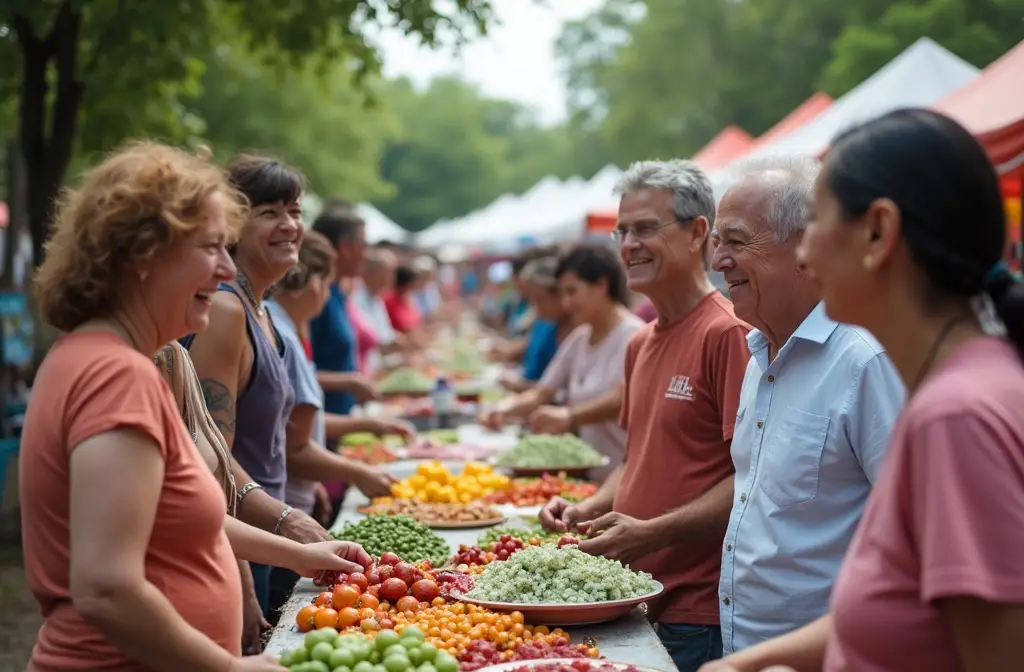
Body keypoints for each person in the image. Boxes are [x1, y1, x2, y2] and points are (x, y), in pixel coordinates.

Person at [19, 141, 369, 671]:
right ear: (144, 255)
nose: (228, 270)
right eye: (212, 248)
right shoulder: (116, 376)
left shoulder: (107, 359)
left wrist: (300, 554)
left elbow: (178, 518)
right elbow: (105, 588)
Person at [702, 109, 1024, 672]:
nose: (806, 255)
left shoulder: (955, 414)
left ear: (877, 232)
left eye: (819, 224)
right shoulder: (960, 388)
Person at [540, 159, 751, 672]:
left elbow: (753, 479)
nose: (628, 245)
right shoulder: (640, 343)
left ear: (698, 232)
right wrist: (587, 506)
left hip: (693, 611)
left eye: (645, 229)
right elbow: (635, 457)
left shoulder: (728, 333)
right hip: (633, 597)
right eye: (622, 231)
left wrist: (652, 531)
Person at [708, 156, 905, 654]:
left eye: (735, 241)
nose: (718, 261)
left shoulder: (863, 362)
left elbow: (914, 546)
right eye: (717, 244)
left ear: (804, 246)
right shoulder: (759, 355)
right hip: (746, 651)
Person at [183, 154, 307, 617]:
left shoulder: (262, 312)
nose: (289, 225)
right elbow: (211, 465)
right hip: (240, 551)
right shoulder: (226, 312)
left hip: (268, 543)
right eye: (270, 213)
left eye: (294, 212)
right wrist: (241, 586)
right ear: (235, 226)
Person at [265, 230, 412, 616]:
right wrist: (356, 469)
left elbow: (297, 428)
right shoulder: (279, 332)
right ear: (307, 281)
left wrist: (372, 429)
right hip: (278, 515)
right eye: (325, 283)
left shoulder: (286, 331)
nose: (327, 293)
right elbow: (294, 447)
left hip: (286, 507)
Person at [480, 243, 643, 480]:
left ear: (602, 285)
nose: (565, 304)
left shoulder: (635, 336)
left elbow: (623, 397)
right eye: (562, 293)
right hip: (591, 477)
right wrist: (503, 410)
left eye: (572, 292)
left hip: (626, 478)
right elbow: (540, 393)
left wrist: (570, 416)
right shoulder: (580, 338)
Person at [310, 205, 382, 417]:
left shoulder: (339, 294)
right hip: (322, 425)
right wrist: (350, 382)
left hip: (343, 418)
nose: (366, 254)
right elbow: (291, 372)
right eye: (364, 245)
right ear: (345, 247)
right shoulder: (315, 298)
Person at [351, 247, 407, 374]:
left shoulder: (377, 298)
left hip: (379, 371)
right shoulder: (355, 298)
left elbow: (386, 335)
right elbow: (366, 341)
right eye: (389, 272)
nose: (392, 278)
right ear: (372, 272)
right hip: (364, 374)